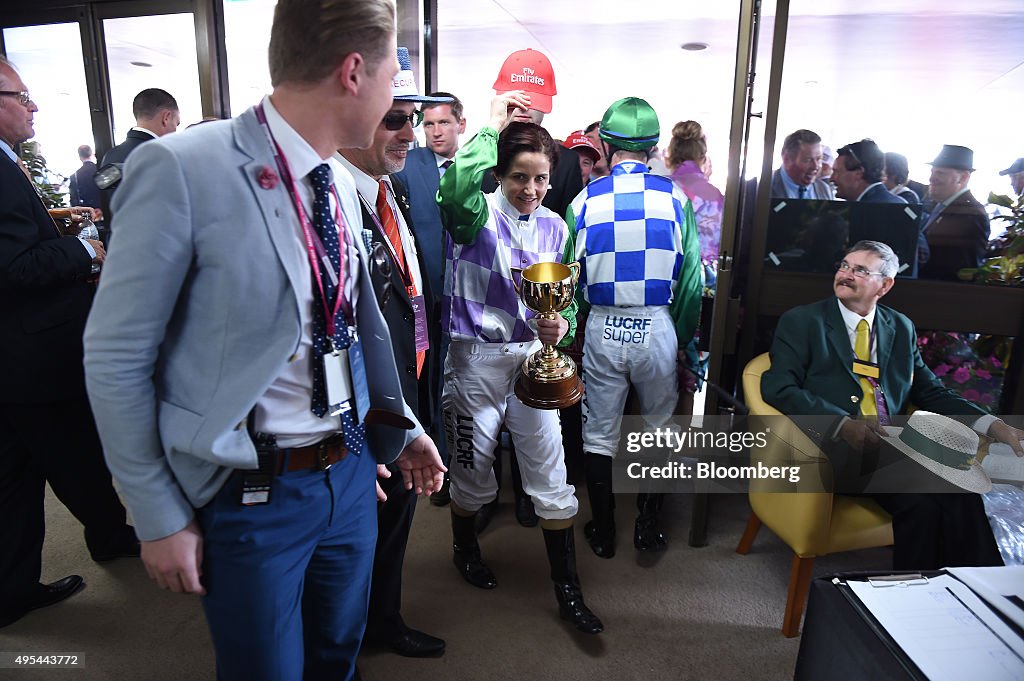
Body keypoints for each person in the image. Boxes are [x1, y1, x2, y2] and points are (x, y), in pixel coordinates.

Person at [82, 3, 444, 680]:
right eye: (395, 75)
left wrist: (400, 424)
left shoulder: (335, 174)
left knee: (338, 654)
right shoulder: (182, 169)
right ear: (354, 72)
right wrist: (155, 513)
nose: (401, 99)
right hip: (253, 498)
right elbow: (115, 358)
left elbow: (346, 325)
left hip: (352, 472)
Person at [437, 90, 603, 635]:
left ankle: (569, 593)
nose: (530, 190)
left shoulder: (557, 225)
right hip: (476, 361)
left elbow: (566, 299)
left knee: (551, 475)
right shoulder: (472, 214)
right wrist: (491, 127)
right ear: (499, 174)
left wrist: (562, 327)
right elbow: (457, 182)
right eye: (518, 177)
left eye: (539, 178)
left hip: (533, 360)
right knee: (473, 475)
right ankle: (464, 549)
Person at [761, 240, 1023, 570]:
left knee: (961, 493)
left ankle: (974, 590)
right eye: (844, 266)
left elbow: (931, 391)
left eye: (859, 270)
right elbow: (778, 387)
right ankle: (914, 595)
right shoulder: (803, 321)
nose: (846, 274)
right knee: (922, 503)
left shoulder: (899, 327)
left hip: (895, 445)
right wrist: (842, 423)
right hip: (830, 449)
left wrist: (993, 425)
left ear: (885, 285)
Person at [0, 56, 137, 630]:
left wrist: (55, 220)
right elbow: (14, 266)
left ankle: (12, 591)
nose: (33, 107)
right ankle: (110, 537)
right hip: (35, 355)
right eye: (22, 97)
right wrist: (86, 249)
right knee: (76, 453)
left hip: (16, 358)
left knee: (14, 478)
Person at [335, 47, 446, 659]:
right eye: (394, 119)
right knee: (362, 533)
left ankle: (381, 622)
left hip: (408, 384)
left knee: (395, 522)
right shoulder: (331, 203)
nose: (410, 133)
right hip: (369, 410)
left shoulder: (387, 190)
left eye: (413, 118)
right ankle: (356, 635)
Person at [569, 99, 702, 558]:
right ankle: (649, 527)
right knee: (661, 428)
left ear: (606, 144)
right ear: (653, 147)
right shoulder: (678, 197)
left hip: (604, 324)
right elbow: (692, 279)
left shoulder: (585, 198)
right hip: (657, 325)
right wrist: (683, 339)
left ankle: (603, 531)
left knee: (598, 433)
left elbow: (570, 271)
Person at [393, 89, 466, 506]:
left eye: (443, 122)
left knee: (472, 382)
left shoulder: (483, 168)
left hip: (473, 298)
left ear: (461, 124)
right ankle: (441, 463)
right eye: (429, 123)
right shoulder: (409, 165)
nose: (435, 131)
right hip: (424, 298)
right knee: (431, 378)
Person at [480, 48, 583, 219]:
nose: (523, 107)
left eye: (532, 100)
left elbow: (571, 224)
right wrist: (493, 126)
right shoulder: (480, 155)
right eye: (515, 99)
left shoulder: (567, 162)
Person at [97, 88, 179, 234]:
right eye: (176, 124)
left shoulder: (111, 155)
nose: (175, 131)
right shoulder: (162, 155)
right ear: (166, 117)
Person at [919, 145, 990, 280]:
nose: (931, 178)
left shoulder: (972, 214)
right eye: (932, 172)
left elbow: (966, 268)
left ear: (963, 178)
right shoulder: (937, 205)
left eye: (941, 173)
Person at [832, 139, 907, 204]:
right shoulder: (902, 204)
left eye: (837, 172)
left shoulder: (862, 212)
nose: (831, 179)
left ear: (858, 173)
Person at [770, 129, 834, 200]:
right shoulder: (762, 188)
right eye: (808, 160)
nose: (815, 166)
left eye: (818, 159)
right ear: (787, 159)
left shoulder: (824, 190)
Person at [69, 144, 101, 211]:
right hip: (104, 210)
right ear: (92, 154)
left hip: (87, 212)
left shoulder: (74, 176)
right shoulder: (101, 170)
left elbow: (73, 199)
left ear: (80, 157)